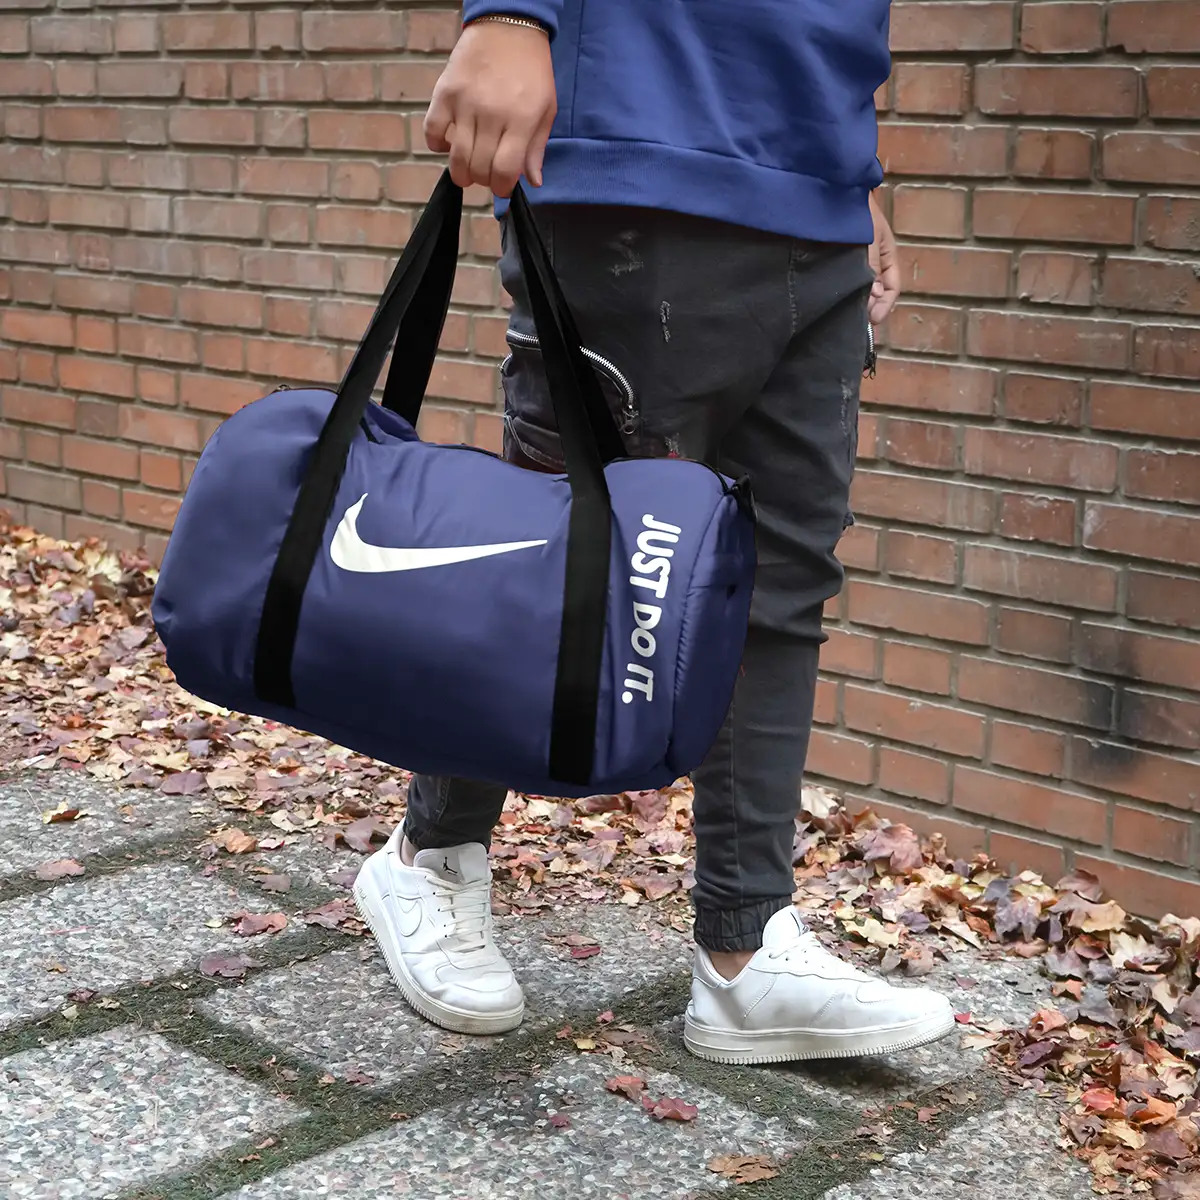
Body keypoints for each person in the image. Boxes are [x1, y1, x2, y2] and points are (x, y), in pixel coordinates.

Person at [353, 1, 956, 1064]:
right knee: (563, 561)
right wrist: (511, 14)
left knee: (778, 582)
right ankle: (429, 859)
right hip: (634, 148)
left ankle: (744, 951)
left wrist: (851, 170)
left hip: (814, 183)